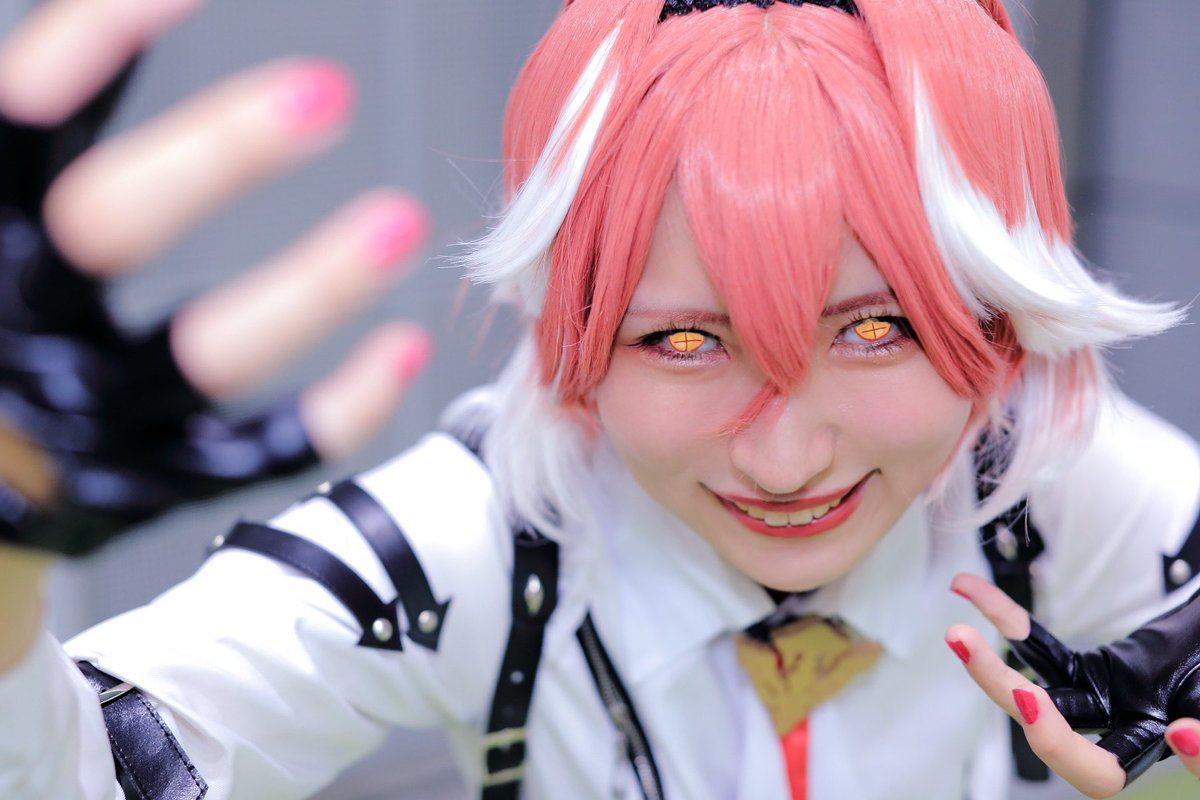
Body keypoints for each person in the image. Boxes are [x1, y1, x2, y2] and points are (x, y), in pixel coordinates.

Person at [2, 0, 1200, 799]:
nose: (785, 458)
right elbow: (87, 768)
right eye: (682, 338)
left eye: (875, 328)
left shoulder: (1055, 487)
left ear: (998, 315)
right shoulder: (472, 536)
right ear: (572, 329)